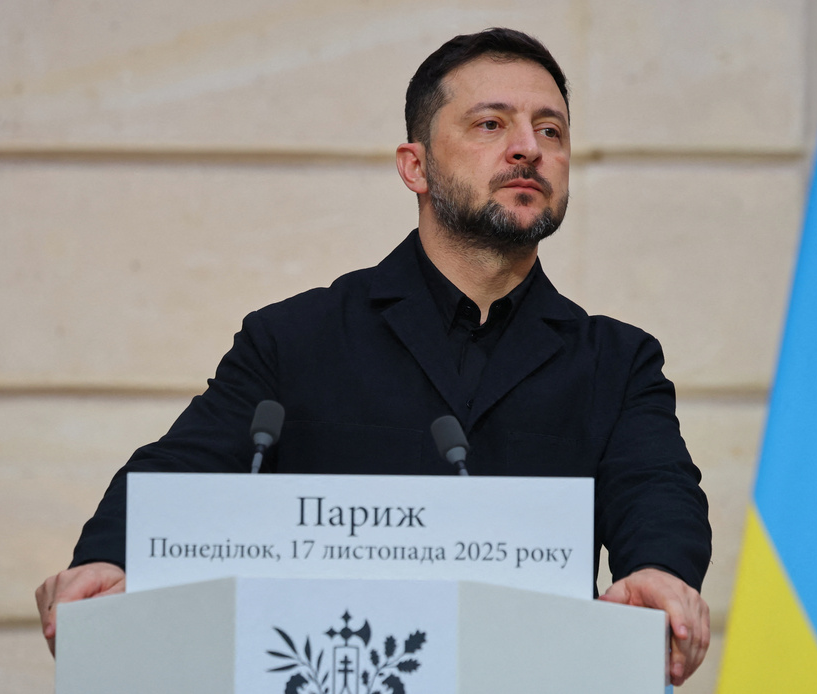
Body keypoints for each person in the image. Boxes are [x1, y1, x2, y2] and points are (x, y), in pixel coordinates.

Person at [36, 28, 711, 685]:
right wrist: (104, 561)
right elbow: (179, 474)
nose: (527, 149)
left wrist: (660, 574)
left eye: (551, 130)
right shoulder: (296, 339)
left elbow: (656, 488)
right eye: (490, 125)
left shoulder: (617, 362)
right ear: (414, 165)